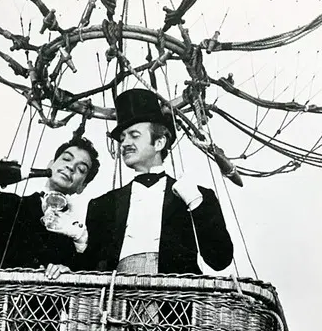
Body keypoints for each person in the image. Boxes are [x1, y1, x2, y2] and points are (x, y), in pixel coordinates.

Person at [78, 88, 233, 275]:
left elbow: (220, 260)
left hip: (178, 292)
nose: (124, 143)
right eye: (122, 138)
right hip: (117, 292)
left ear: (159, 143)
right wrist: (78, 243)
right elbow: (88, 270)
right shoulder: (102, 205)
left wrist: (195, 203)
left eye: (134, 135)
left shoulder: (199, 196)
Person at [0, 137, 99, 275]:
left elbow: (92, 276)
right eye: (66, 159)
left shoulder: (78, 232)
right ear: (50, 165)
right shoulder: (9, 205)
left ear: (82, 186)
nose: (71, 167)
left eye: (81, 169)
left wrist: (69, 271)